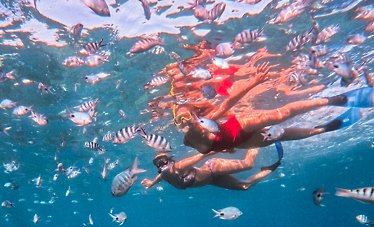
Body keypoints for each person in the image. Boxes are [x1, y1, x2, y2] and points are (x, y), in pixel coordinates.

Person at [175, 63, 373, 154]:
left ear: (195, 115)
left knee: (282, 114)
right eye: (181, 120)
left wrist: (253, 82)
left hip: (240, 126)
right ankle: (323, 129)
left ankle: (333, 100)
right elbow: (208, 150)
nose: (187, 121)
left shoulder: (205, 122)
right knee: (282, 135)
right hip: (244, 143)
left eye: (188, 116)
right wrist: (226, 150)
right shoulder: (188, 141)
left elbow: (228, 103)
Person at [141, 145, 281, 190]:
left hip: (214, 168)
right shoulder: (165, 175)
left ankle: (254, 142)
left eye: (163, 160)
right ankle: (267, 170)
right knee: (244, 187)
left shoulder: (179, 166)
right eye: (157, 163)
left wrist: (221, 148)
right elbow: (160, 176)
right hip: (211, 180)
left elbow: (201, 155)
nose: (161, 164)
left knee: (248, 164)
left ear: (170, 160)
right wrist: (151, 183)